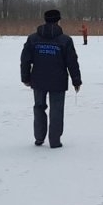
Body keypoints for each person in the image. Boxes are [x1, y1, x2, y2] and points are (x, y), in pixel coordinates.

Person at [21, 9, 82, 148]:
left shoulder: (33, 39)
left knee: (39, 108)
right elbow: (72, 62)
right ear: (58, 20)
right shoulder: (65, 40)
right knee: (56, 111)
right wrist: (76, 80)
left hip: (38, 80)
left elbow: (25, 60)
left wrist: (25, 77)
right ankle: (54, 141)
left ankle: (39, 138)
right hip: (58, 81)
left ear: (45, 20)